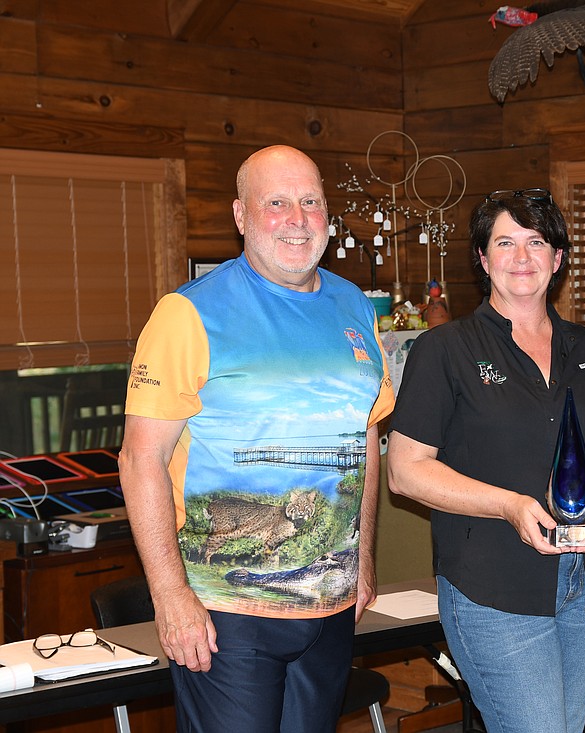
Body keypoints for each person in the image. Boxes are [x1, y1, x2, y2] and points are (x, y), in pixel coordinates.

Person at [118, 145, 394, 733]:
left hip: (332, 605)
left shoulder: (355, 305)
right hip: (225, 618)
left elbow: (364, 437)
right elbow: (141, 461)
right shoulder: (187, 315)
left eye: (310, 202)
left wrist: (362, 558)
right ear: (241, 216)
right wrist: (171, 596)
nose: (297, 218)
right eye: (276, 203)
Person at [387, 187, 585, 733]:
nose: (522, 258)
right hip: (494, 588)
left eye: (536, 242)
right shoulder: (445, 350)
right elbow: (404, 471)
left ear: (559, 258)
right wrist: (508, 506)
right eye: (505, 243)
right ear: (483, 259)